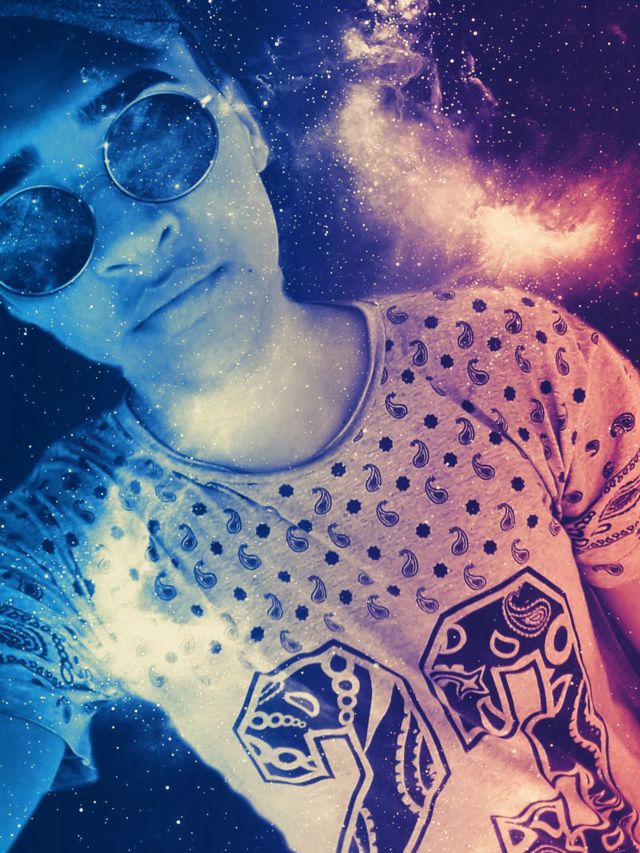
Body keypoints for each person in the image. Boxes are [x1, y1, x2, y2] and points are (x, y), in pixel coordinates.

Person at [0, 3, 639, 852]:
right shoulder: (63, 548)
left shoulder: (510, 358)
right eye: (28, 225)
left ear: (244, 122)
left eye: (153, 135)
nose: (133, 238)